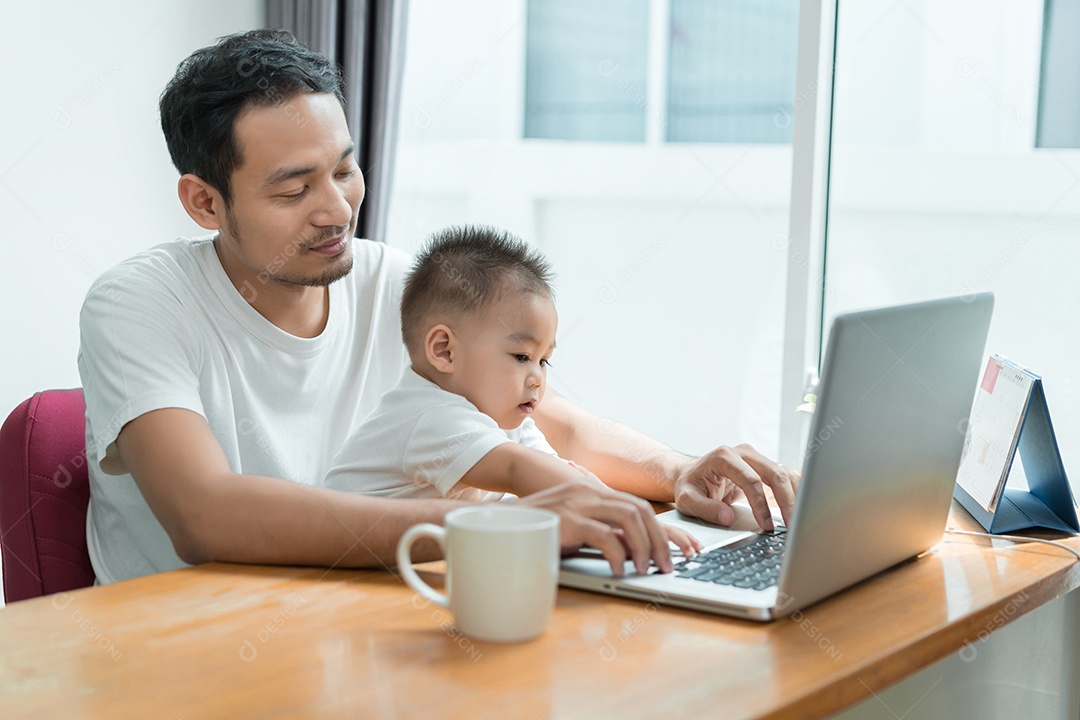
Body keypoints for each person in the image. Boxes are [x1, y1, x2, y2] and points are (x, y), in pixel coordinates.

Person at [77, 29, 796, 585]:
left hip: (350, 621)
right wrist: (510, 525)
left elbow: (550, 422)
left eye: (345, 169)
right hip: (193, 651)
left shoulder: (395, 284)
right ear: (205, 202)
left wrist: (677, 471)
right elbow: (204, 515)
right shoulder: (140, 305)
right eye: (294, 190)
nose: (338, 210)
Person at [325, 225, 698, 554]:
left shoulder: (506, 420)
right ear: (445, 350)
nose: (537, 378)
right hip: (336, 576)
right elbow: (519, 469)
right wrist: (625, 516)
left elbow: (560, 476)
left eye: (544, 361)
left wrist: (621, 511)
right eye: (521, 356)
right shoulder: (430, 416)